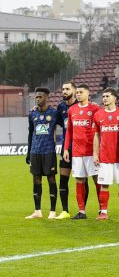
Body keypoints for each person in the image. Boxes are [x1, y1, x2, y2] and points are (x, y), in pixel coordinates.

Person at [63, 84, 101, 219]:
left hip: (91, 151)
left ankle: (102, 209)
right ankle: (81, 211)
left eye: (81, 92)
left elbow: (99, 130)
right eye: (77, 92)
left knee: (97, 180)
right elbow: (69, 131)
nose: (78, 94)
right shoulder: (71, 110)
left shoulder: (95, 108)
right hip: (77, 152)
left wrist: (98, 150)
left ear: (88, 93)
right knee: (79, 180)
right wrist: (66, 149)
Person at [92, 88, 119, 220]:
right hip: (104, 156)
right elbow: (96, 136)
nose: (104, 98)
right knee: (104, 184)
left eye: (107, 96)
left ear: (115, 98)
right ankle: (104, 212)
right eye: (103, 96)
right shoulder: (98, 115)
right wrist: (95, 154)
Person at [25, 87, 59, 219]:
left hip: (49, 151)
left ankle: (52, 211)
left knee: (51, 179)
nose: (38, 99)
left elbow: (65, 124)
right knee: (36, 179)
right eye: (36, 97)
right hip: (35, 151)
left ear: (46, 98)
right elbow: (30, 133)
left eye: (40, 97)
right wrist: (29, 152)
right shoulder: (32, 114)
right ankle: (37, 211)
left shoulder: (54, 113)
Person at [54, 81, 77, 219]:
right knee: (63, 179)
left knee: (82, 180)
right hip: (66, 148)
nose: (64, 91)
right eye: (63, 89)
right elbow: (53, 120)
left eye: (67, 89)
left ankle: (85, 210)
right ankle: (65, 211)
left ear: (74, 90)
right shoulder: (61, 107)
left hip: (81, 148)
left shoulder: (80, 105)